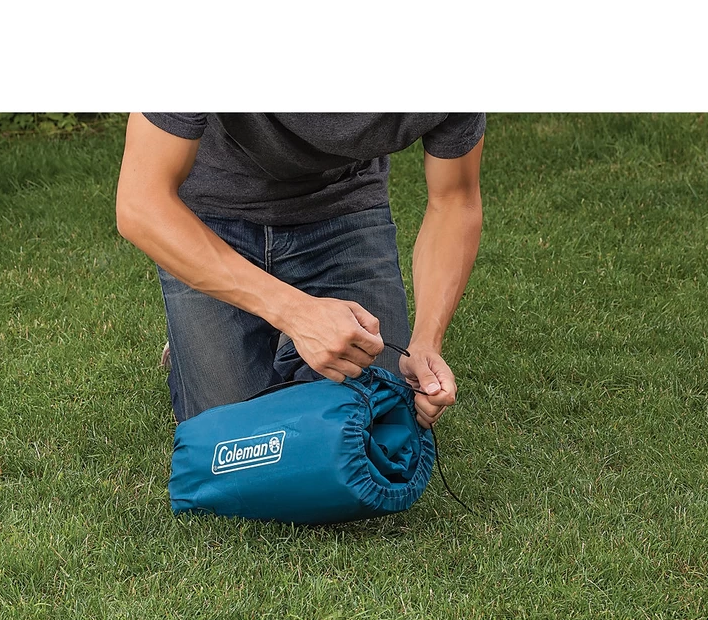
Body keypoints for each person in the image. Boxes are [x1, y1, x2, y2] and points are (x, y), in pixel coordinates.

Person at [115, 113, 484, 429]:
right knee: (236, 442)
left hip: (343, 207)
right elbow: (141, 203)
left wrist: (426, 342)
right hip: (211, 215)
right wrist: (296, 313)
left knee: (374, 420)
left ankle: (288, 337)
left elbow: (455, 200)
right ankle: (205, 338)